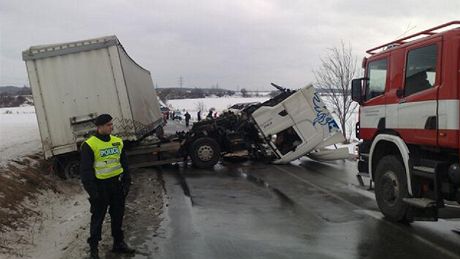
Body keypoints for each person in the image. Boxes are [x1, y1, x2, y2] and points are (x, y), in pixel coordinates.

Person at [80, 114, 135, 259]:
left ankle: (118, 243)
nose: (112, 127)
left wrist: (127, 181)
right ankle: (94, 249)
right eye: (108, 125)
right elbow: (86, 172)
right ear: (99, 127)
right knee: (98, 218)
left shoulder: (118, 142)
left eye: (112, 124)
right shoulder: (89, 145)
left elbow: (125, 163)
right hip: (100, 187)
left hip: (116, 185)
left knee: (118, 216)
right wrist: (93, 192)